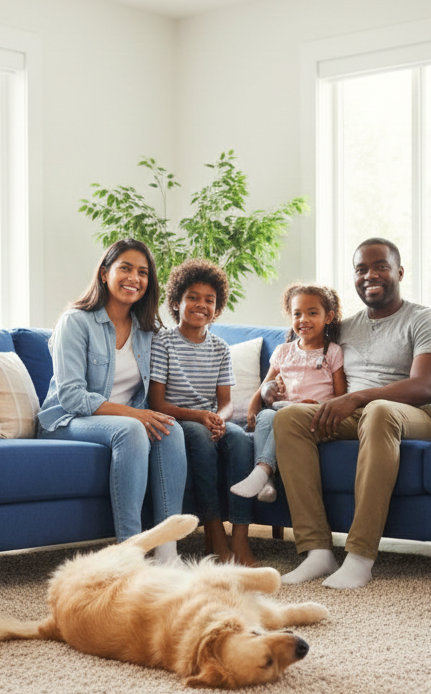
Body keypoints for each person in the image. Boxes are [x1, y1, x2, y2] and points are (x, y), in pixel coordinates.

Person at [274, 238, 431, 589]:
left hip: (419, 416)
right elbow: (298, 347)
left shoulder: (426, 319)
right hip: (361, 416)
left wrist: (356, 399)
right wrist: (273, 389)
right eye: (361, 269)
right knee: (289, 418)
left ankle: (359, 556)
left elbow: (426, 386)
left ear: (399, 272)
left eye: (380, 266)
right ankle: (317, 551)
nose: (370, 275)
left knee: (380, 411)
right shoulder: (344, 327)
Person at [37, 238, 187, 564]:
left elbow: (161, 387)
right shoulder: (76, 322)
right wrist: (135, 415)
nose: (135, 278)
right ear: (105, 274)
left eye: (143, 272)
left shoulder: (147, 331)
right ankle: (129, 554)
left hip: (121, 420)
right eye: (126, 268)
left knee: (171, 429)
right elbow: (72, 395)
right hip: (67, 420)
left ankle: (167, 552)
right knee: (133, 429)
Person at [148, 259, 255, 565]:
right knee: (202, 438)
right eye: (192, 297)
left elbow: (226, 402)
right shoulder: (163, 342)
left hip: (210, 418)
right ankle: (214, 530)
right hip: (180, 419)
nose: (201, 305)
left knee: (240, 441)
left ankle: (241, 537)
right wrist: (199, 417)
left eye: (210, 300)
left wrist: (220, 417)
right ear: (176, 302)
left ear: (217, 308)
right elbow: (157, 403)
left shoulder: (220, 347)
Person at [230, 283, 345, 506]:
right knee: (267, 416)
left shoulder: (332, 352)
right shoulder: (284, 351)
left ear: (328, 317)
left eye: (312, 313)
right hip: (283, 409)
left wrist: (319, 405)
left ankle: (262, 471)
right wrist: (255, 405)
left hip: (313, 413)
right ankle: (267, 482)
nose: (304, 319)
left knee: (284, 416)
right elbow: (265, 384)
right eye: (297, 313)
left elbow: (341, 396)